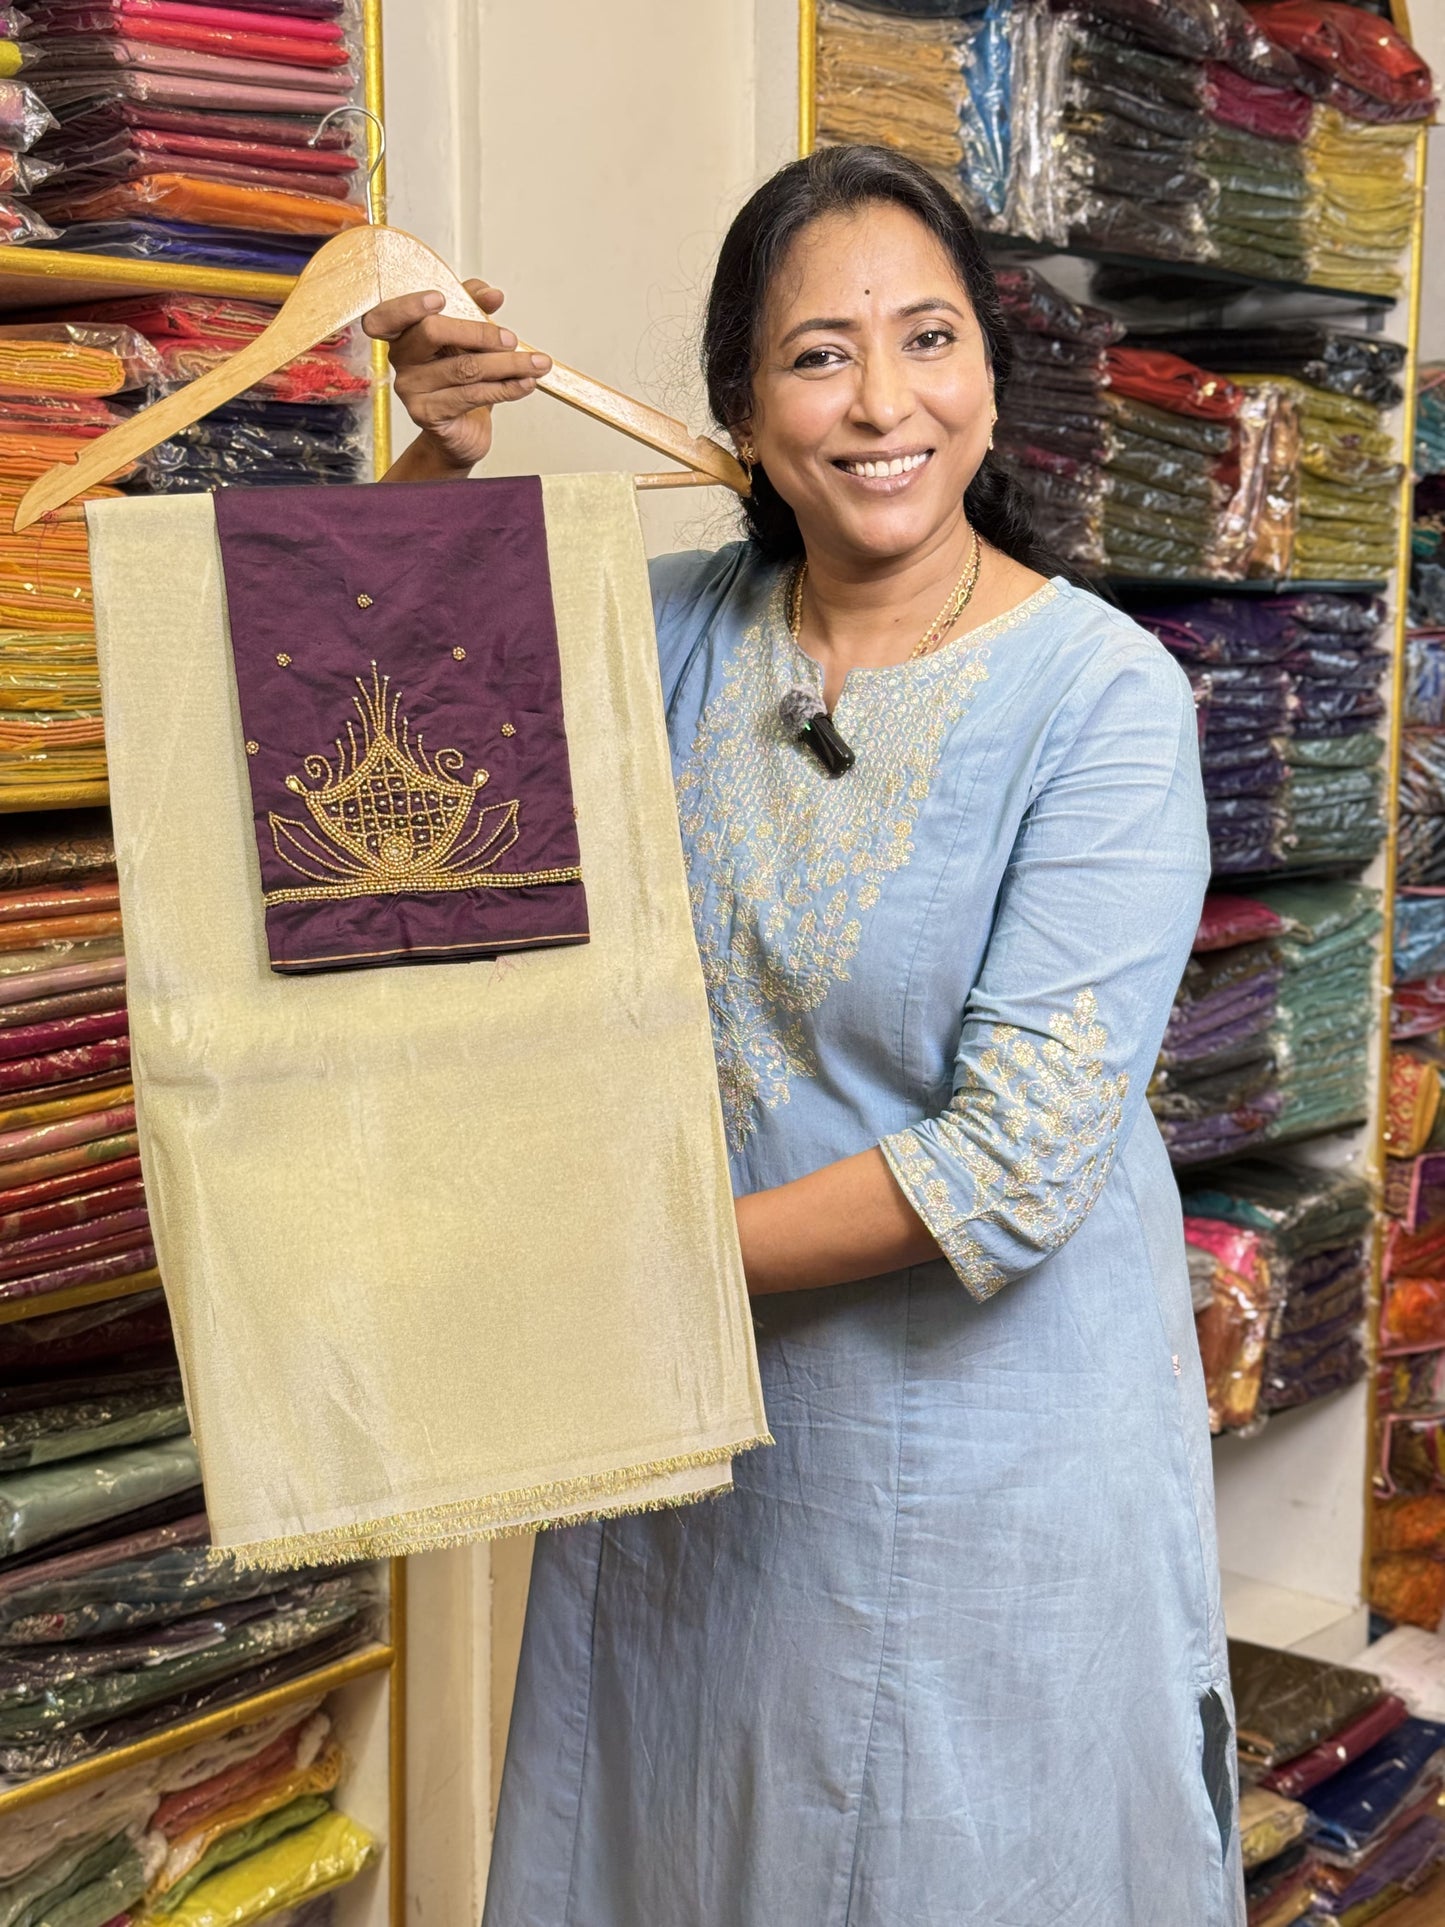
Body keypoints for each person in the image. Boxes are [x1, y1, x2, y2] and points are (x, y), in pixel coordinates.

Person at [367, 143, 1243, 1927]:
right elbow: (383, 751)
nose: (880, 402)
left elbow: (1010, 1167)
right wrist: (438, 456)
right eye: (817, 356)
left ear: (992, 374)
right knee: (674, 1844)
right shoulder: (676, 625)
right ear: (741, 406)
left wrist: (604, 1262)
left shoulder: (1101, 698)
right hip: (697, 1452)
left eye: (926, 339)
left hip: (984, 1451)